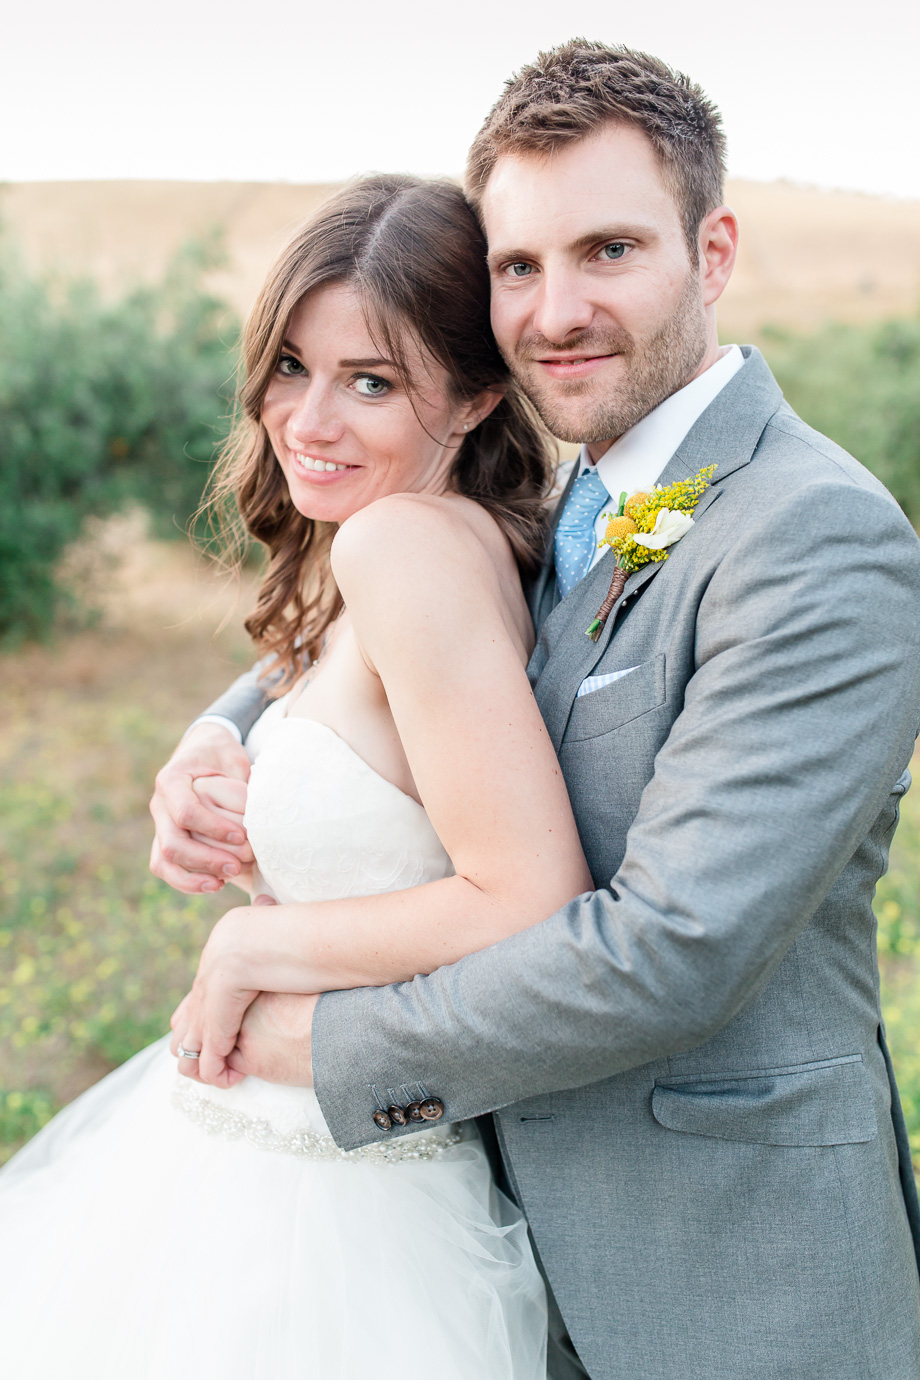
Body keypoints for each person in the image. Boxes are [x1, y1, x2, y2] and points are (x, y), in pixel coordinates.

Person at [155, 41, 920, 1380]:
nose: (556, 310)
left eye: (608, 250)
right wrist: (219, 731)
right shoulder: (567, 501)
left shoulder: (814, 538)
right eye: (518, 266)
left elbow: (670, 951)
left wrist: (315, 1041)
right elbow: (403, 629)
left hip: (730, 1288)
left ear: (712, 252)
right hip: (497, 1260)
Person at [0, 174, 602, 1378]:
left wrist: (250, 944)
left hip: (330, 1216)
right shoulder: (424, 538)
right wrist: (213, 739)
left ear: (476, 396)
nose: (307, 421)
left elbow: (529, 892)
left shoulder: (397, 546)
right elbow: (325, 695)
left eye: (369, 382)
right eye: (290, 367)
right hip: (278, 1160)